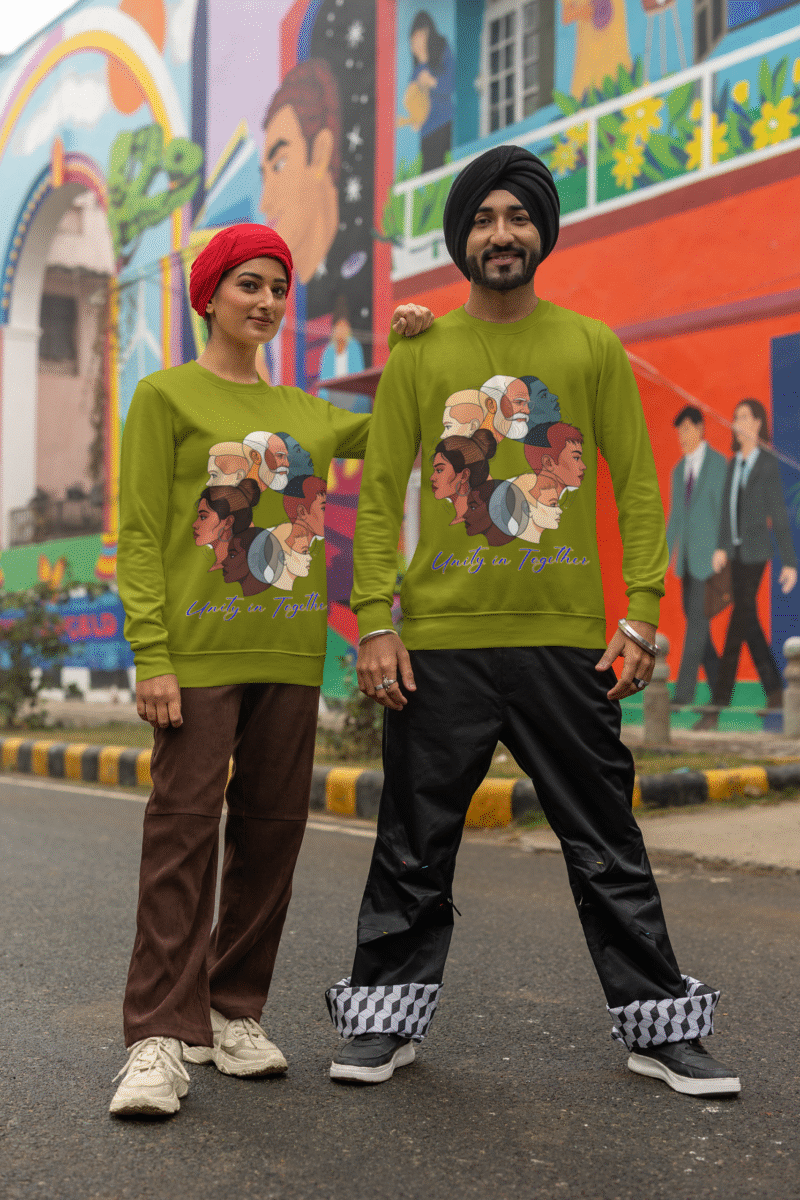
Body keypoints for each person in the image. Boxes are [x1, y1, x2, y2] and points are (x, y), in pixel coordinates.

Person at [325, 145, 740, 1098]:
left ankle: (658, 1026)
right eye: (482, 219)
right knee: (413, 841)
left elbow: (638, 487)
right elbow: (380, 495)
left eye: (516, 217)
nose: (500, 234)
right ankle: (385, 1018)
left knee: (607, 841)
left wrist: (641, 614)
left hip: (565, 641)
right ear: (462, 240)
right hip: (439, 646)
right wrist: (376, 622)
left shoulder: (590, 345)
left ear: (542, 232)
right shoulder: (420, 354)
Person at [110, 222, 432, 1118]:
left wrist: (416, 344)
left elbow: (404, 416)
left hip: (291, 657)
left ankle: (232, 1010)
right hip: (197, 656)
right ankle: (156, 1039)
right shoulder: (165, 397)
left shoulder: (309, 414)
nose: (265, 301)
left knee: (271, 834)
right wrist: (152, 653)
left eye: (278, 288)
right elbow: (141, 534)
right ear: (209, 294)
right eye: (248, 284)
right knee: (180, 836)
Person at [694, 398, 797, 730]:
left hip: (755, 553)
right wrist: (721, 548)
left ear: (756, 424)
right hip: (735, 554)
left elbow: (778, 515)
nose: (736, 422)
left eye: (743, 417)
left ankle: (718, 703)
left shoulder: (766, 463)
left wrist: (790, 563)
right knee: (746, 620)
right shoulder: (732, 464)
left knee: (739, 621)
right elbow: (726, 513)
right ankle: (775, 691)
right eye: (735, 416)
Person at [665, 406, 726, 707]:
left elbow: (728, 513)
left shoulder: (718, 465)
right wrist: (663, 558)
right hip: (686, 561)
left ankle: (684, 694)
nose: (682, 437)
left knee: (696, 627)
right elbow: (675, 517)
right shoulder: (679, 470)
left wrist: (723, 549)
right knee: (698, 625)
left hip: (710, 560)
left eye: (687, 430)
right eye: (679, 432)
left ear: (700, 428)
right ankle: (720, 688)